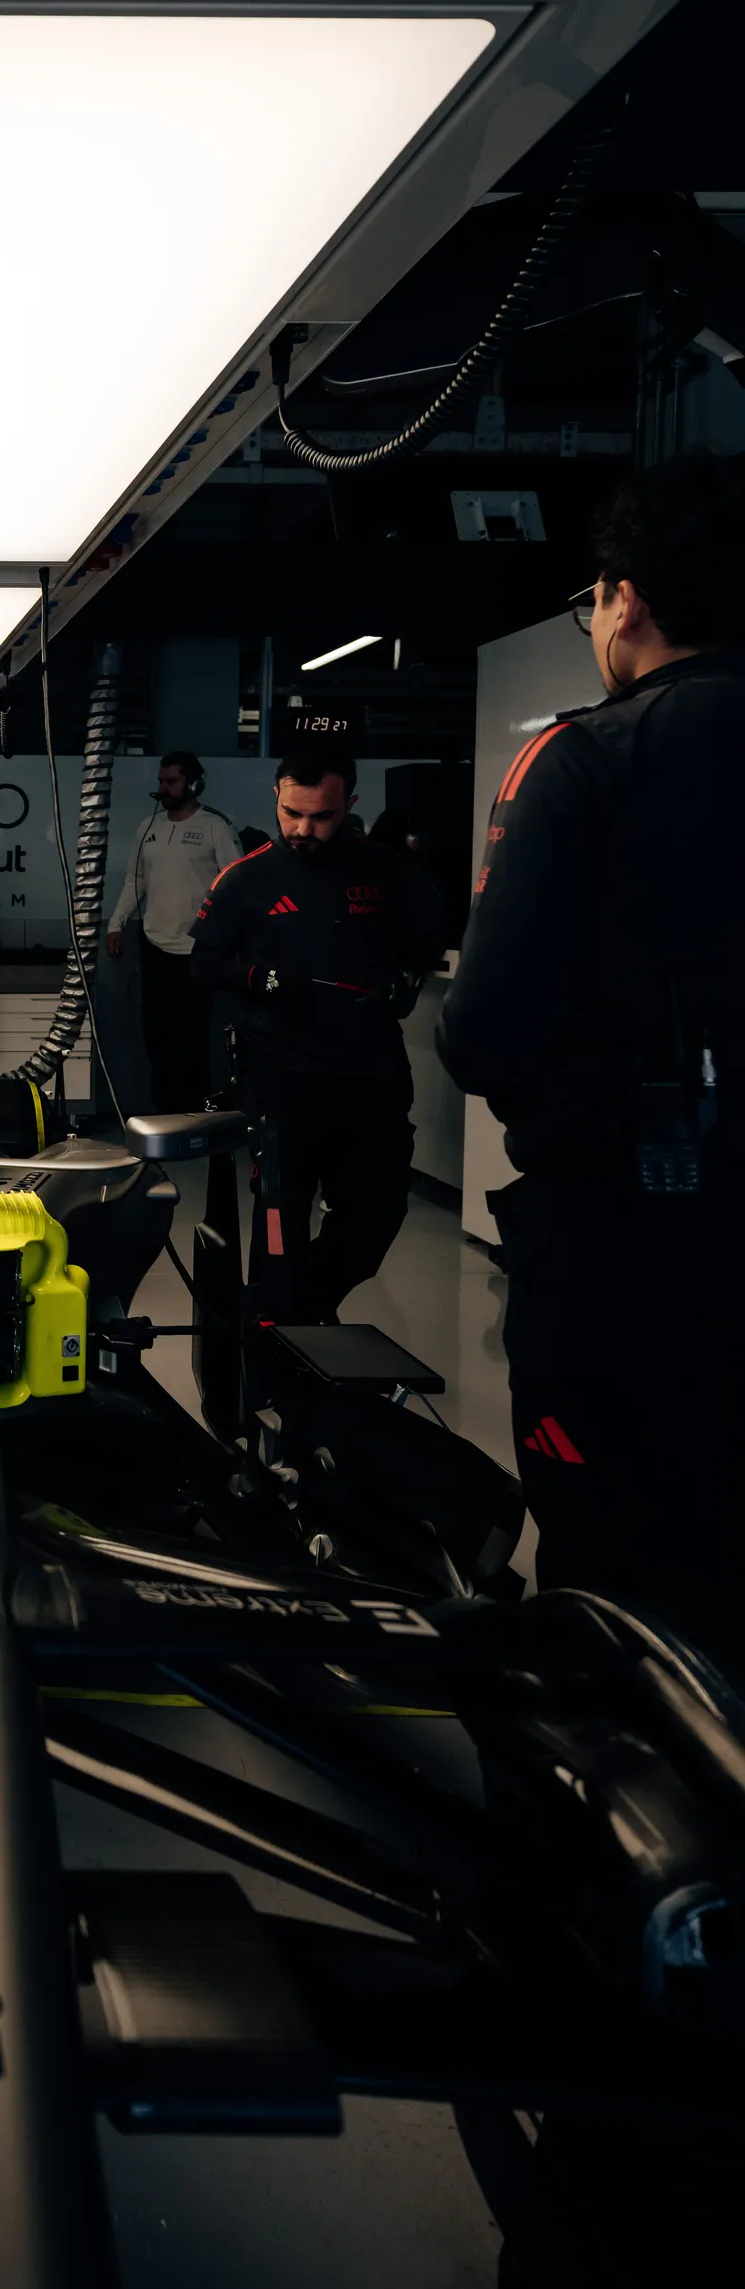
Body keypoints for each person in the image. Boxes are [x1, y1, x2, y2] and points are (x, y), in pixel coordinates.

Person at [438, 454, 745, 1657]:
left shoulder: (589, 759)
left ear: (625, 600)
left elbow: (482, 1030)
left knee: (616, 1576)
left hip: (628, 1244)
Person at [190, 747, 445, 1323]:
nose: (303, 829)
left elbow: (425, 939)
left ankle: (302, 1312)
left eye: (321, 817)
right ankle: (275, 1352)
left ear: (349, 805)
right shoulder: (246, 878)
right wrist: (264, 979)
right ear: (276, 800)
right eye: (291, 814)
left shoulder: (386, 870)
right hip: (282, 1079)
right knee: (278, 1230)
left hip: (370, 1074)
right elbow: (204, 965)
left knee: (375, 1216)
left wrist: (403, 975)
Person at [107, 750, 245, 1111]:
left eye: (171, 781)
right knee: (155, 1035)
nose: (163, 789)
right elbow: (134, 881)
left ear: (193, 784)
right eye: (160, 781)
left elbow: (236, 884)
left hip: (197, 949)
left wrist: (231, 935)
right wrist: (116, 924)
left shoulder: (215, 827)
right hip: (153, 946)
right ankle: (165, 1113)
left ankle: (194, 1114)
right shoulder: (147, 828)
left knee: (192, 1038)